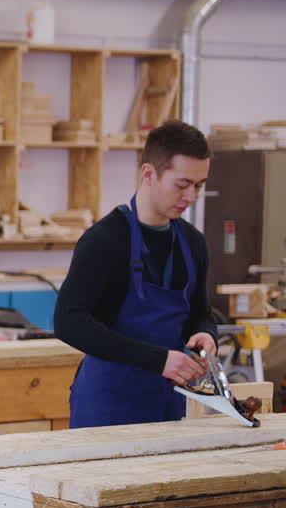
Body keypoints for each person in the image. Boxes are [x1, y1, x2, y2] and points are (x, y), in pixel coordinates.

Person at [56, 120, 217, 428]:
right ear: (149, 174)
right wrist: (158, 360)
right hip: (109, 404)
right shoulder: (104, 240)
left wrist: (205, 334)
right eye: (182, 185)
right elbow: (69, 322)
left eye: (199, 185)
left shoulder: (192, 243)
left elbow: (200, 312)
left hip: (171, 402)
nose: (192, 197)